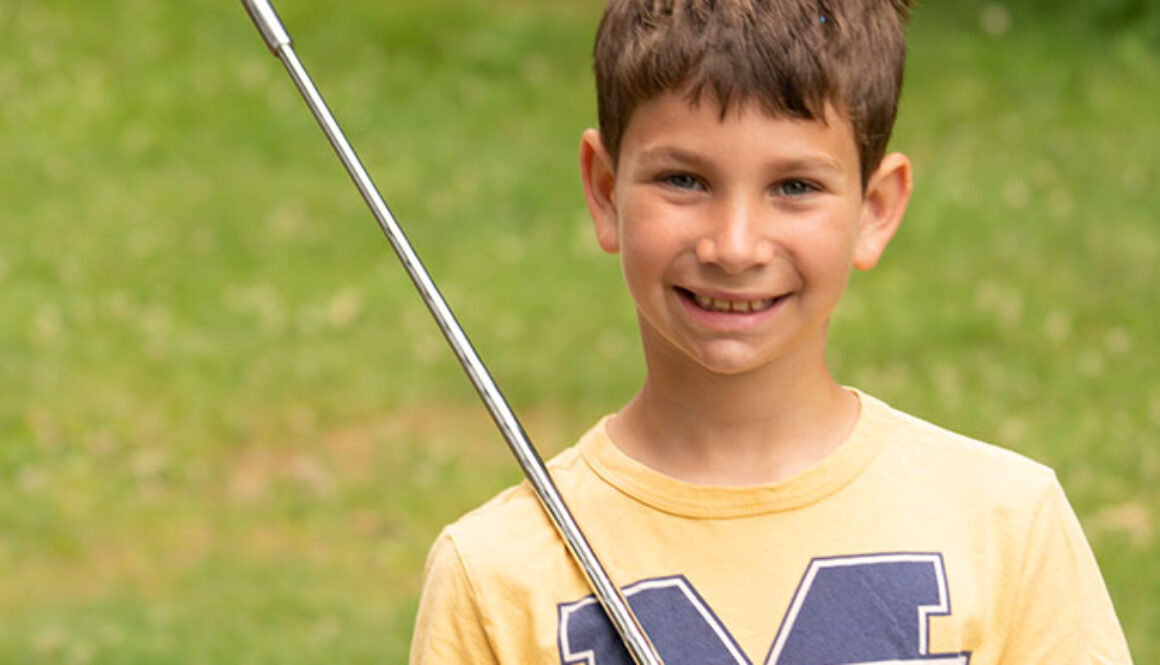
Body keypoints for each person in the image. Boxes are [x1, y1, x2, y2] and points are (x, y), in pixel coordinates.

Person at [409, 0, 1132, 662]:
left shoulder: (1005, 524)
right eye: (684, 180)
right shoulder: (496, 571)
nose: (735, 244)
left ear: (875, 210)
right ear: (604, 190)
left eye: (795, 187)